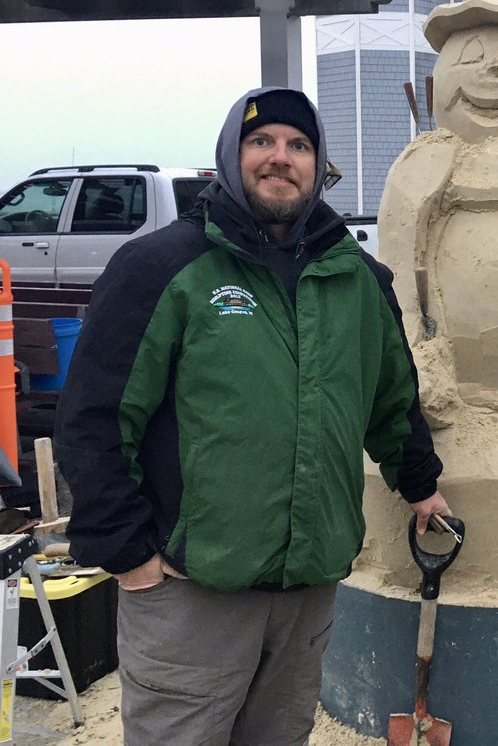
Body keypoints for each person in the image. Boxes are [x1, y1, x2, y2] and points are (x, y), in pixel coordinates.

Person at [55, 87, 450, 745]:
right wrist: (129, 553)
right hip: (191, 591)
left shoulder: (359, 280)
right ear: (230, 155)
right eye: (261, 141)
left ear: (318, 165)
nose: (280, 158)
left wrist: (420, 483)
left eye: (299, 145)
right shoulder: (162, 268)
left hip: (308, 590)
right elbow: (93, 417)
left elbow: (392, 397)